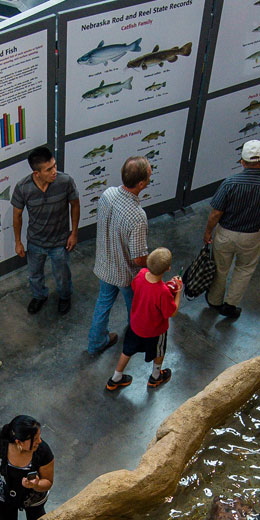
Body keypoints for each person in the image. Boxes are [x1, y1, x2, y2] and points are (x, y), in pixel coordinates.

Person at [202, 140, 260, 320]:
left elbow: (216, 213)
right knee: (244, 270)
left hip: (226, 234)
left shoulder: (230, 183)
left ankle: (214, 300)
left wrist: (208, 232)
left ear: (242, 162)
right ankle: (230, 305)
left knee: (221, 268)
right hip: (252, 235)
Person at [86, 157, 150, 355]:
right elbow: (139, 258)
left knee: (103, 303)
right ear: (141, 184)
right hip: (126, 275)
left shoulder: (108, 194)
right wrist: (155, 262)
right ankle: (136, 338)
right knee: (135, 307)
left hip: (105, 265)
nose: (150, 176)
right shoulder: (137, 216)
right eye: (149, 174)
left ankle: (95, 343)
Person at [12, 145, 80, 314]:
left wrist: (74, 233)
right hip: (35, 242)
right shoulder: (23, 188)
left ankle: (64, 296)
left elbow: (75, 205)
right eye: (49, 169)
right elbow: (17, 216)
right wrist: (18, 242)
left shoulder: (65, 182)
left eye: (55, 166)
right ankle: (39, 296)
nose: (54, 171)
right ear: (37, 173)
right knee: (34, 275)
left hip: (60, 241)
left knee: (63, 275)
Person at [108, 247, 181, 391]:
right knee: (159, 352)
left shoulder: (141, 274)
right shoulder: (164, 291)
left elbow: (142, 290)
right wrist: (178, 291)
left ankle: (115, 378)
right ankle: (155, 377)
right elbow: (171, 312)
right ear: (168, 269)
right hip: (155, 331)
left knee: (127, 350)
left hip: (135, 325)